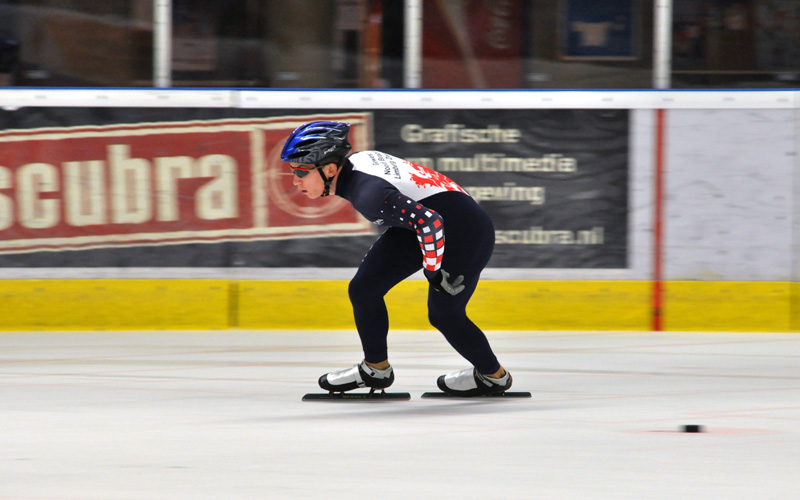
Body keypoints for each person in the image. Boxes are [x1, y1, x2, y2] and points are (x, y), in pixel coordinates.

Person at [281, 120, 512, 396]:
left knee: (445, 314)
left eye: (301, 172)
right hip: (425, 223)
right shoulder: (359, 164)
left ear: (330, 169)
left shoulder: (369, 194)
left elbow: (430, 222)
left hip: (466, 232)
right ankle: (375, 369)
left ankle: (493, 376)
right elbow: (424, 212)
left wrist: (434, 272)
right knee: (364, 289)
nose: (295, 181)